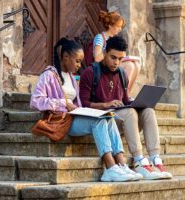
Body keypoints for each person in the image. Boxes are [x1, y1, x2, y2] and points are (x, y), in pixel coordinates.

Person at [30, 37, 142, 182]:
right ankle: (110, 168)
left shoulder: (71, 78)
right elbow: (35, 101)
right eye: (77, 61)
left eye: (80, 61)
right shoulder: (49, 75)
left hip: (73, 118)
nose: (79, 65)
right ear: (65, 57)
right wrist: (63, 103)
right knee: (98, 121)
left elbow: (79, 104)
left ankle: (121, 164)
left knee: (108, 116)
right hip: (61, 121)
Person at [79, 35, 172, 180]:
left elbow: (124, 100)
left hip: (122, 120)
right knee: (129, 113)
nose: (117, 62)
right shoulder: (90, 73)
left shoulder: (122, 74)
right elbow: (83, 104)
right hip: (103, 122)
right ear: (104, 52)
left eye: (120, 59)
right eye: (113, 57)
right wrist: (105, 104)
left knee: (147, 110)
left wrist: (135, 102)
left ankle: (155, 159)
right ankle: (139, 160)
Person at [93, 10, 141, 92]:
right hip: (103, 67)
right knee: (130, 65)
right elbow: (97, 59)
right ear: (110, 25)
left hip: (113, 64)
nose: (120, 29)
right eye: (118, 26)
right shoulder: (100, 37)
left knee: (136, 65)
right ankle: (121, 93)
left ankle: (126, 93)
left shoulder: (115, 38)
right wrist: (108, 49)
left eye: (121, 27)